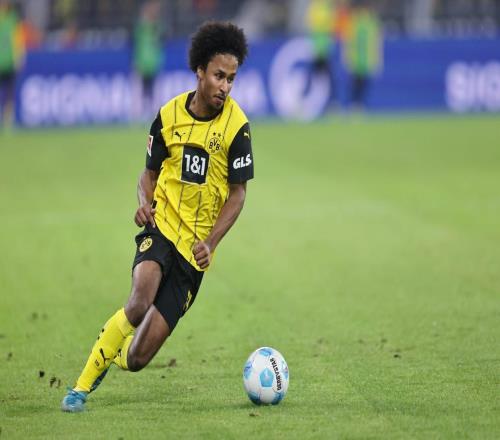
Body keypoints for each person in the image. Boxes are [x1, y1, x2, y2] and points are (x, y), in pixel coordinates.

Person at [61, 21, 254, 413]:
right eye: (219, 76)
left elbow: (238, 194)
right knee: (138, 301)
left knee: (137, 358)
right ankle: (79, 389)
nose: (225, 86)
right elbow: (147, 174)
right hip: (161, 227)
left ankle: (113, 351)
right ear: (200, 70)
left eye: (231, 79)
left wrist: (211, 242)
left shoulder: (237, 127)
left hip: (193, 255)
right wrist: (144, 202)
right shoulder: (168, 116)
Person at [0, 0, 24, 127]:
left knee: (9, 92)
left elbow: (18, 39)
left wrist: (19, 57)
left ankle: (7, 120)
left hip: (9, 61)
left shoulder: (12, 19)